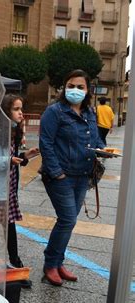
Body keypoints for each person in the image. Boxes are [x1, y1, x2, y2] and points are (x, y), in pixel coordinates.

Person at [39, 69, 105, 286]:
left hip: (83, 176)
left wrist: (104, 150)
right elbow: (46, 143)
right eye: (71, 86)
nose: (75, 90)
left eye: (80, 87)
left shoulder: (90, 113)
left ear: (88, 91)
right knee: (67, 219)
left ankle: (58, 262)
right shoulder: (55, 112)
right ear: (64, 88)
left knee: (69, 222)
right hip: (61, 176)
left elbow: (95, 141)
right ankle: (50, 264)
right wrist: (57, 172)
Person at [0, 94, 39, 288]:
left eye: (21, 108)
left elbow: (9, 159)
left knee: (9, 228)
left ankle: (16, 265)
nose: (21, 113)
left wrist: (24, 156)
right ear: (5, 112)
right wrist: (9, 160)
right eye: (16, 109)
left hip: (7, 189)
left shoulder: (12, 133)